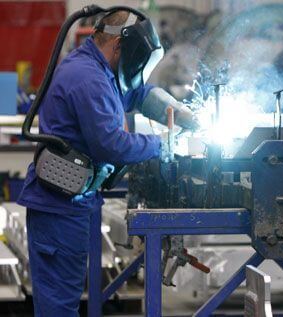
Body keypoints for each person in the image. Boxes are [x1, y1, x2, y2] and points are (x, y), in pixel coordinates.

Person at [17, 10, 195, 316]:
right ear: (118, 46)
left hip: (71, 202)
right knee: (59, 306)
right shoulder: (88, 78)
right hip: (60, 208)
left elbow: (137, 94)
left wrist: (179, 112)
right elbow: (111, 144)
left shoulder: (99, 71)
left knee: (63, 300)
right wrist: (164, 145)